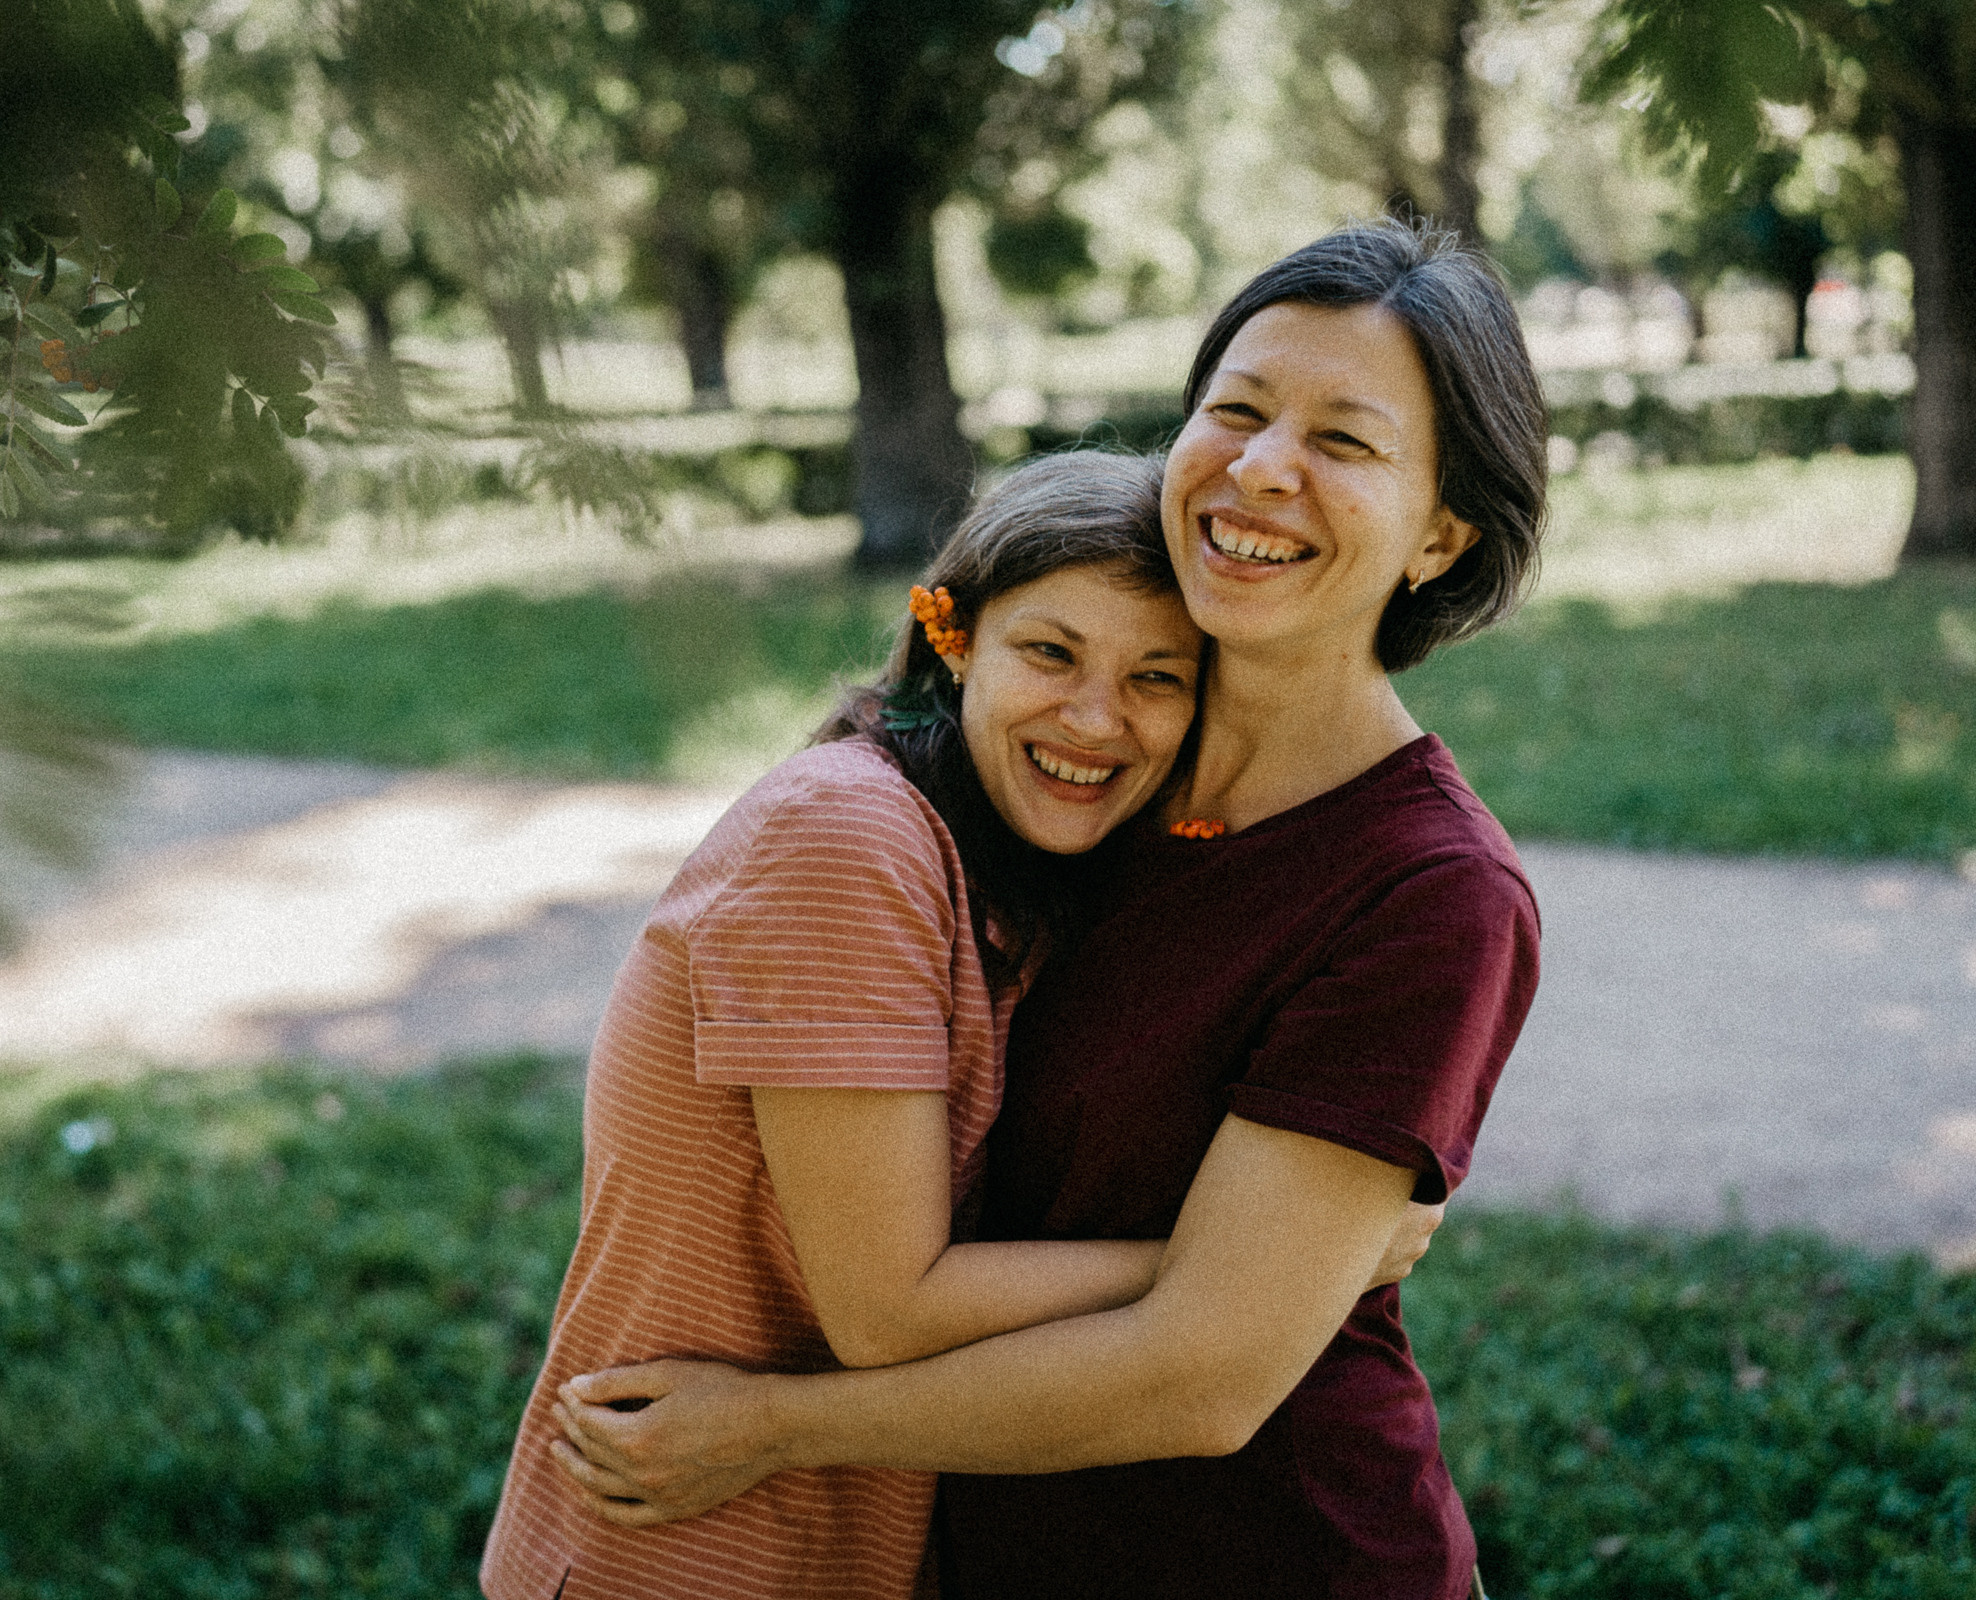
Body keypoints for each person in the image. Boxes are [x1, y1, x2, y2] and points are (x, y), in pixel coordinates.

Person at [548, 216, 1547, 1600]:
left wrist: (779, 1428)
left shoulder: (1429, 891)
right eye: (1239, 409)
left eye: (1344, 440)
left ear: (1440, 532)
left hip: (1268, 1557)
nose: (1263, 468)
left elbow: (1203, 1380)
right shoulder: (1088, 788)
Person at [480, 450, 1208, 1600]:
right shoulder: (847, 840)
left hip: (826, 1533)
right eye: (1051, 651)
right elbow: (888, 1308)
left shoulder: (1001, 866)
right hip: (683, 1544)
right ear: (955, 639)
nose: (1098, 716)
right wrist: (1255, 1268)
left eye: (1158, 676)